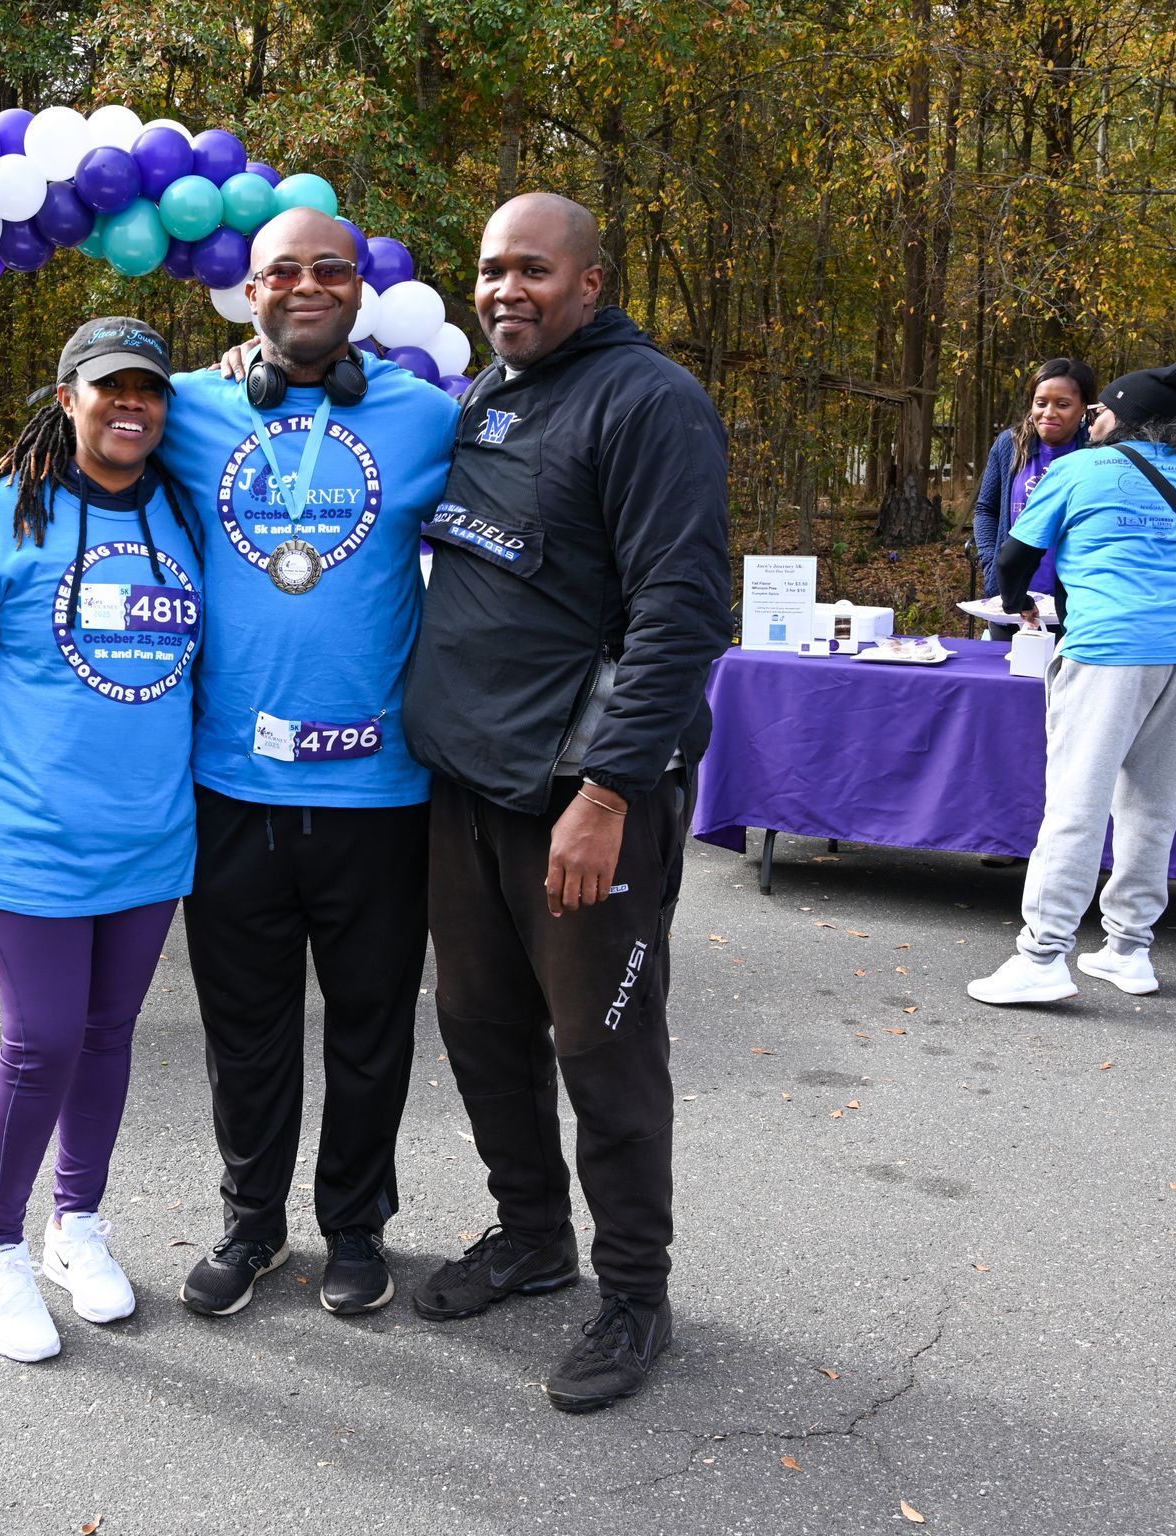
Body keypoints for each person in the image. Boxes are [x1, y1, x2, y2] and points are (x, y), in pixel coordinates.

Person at [0, 211, 460, 1319]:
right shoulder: (196, 407)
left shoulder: (427, 416)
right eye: (281, 271)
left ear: (360, 289)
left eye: (330, 269)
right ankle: (251, 1225)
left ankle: (356, 1227)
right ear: (247, 294)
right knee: (246, 1033)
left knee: (371, 1030)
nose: (306, 286)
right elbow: (67, 446)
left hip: (379, 789)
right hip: (228, 792)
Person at [401, 193, 733, 1414]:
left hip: (583, 802)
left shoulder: (651, 404)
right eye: (491, 269)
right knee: (482, 1031)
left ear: (591, 282)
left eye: (533, 270)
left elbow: (681, 614)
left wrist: (607, 792)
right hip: (466, 787)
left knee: (603, 1050)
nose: (506, 290)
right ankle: (534, 1234)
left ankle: (635, 1291)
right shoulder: (492, 392)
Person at [0, 317, 204, 1362]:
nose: (132, 404)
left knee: (109, 1036)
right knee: (43, 1043)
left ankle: (77, 1227)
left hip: (150, 843)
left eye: (148, 389)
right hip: (27, 843)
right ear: (67, 398)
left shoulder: (183, 509)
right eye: (109, 386)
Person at [966, 363, 1176, 1006]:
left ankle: (1042, 957)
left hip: (1111, 648)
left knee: (1076, 803)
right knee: (1154, 807)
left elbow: (1014, 556)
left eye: (1099, 409)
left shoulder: (1076, 470)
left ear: (1122, 416)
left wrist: (1016, 603)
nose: (1092, 416)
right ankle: (1129, 949)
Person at [971, 357, 1098, 619]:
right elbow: (986, 510)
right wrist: (993, 566)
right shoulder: (1010, 445)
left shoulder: (1097, 454)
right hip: (1011, 601)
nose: (1049, 412)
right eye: (1041, 403)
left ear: (1084, 408)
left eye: (1062, 404)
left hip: (1075, 605)